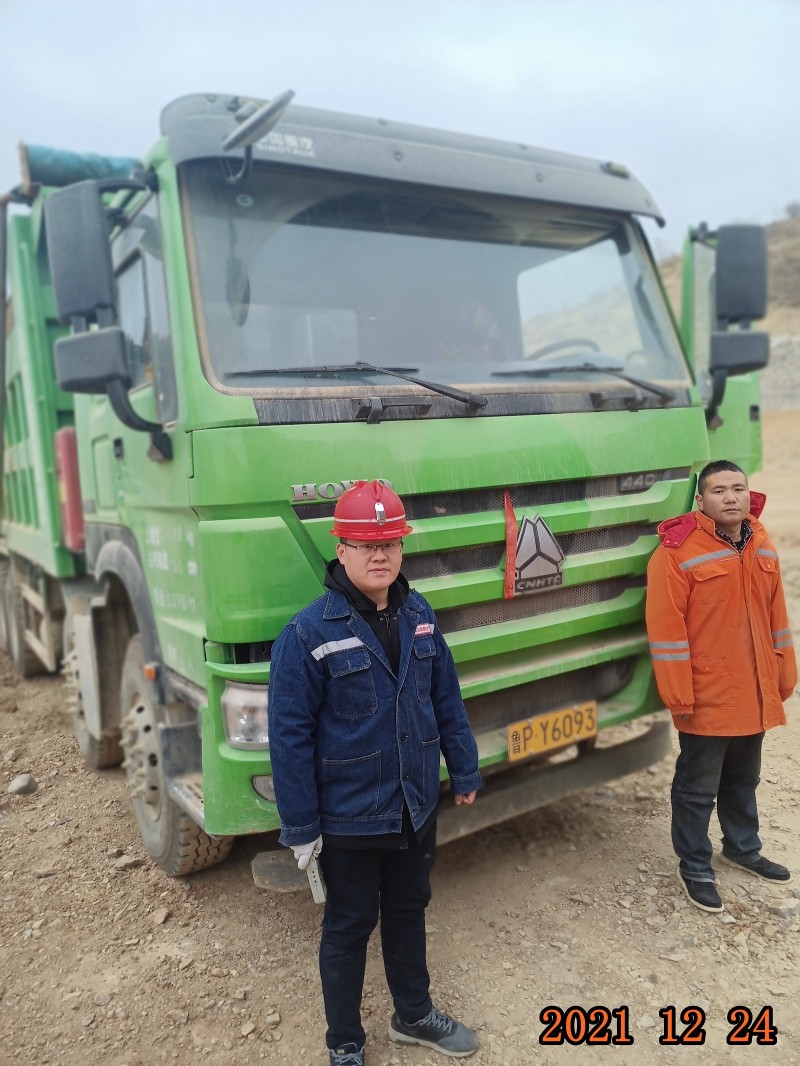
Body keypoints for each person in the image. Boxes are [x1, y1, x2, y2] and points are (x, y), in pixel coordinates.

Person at [269, 480, 483, 1065]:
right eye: (366, 545)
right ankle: (344, 1042)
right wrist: (301, 827)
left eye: (390, 543)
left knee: (409, 909)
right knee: (349, 925)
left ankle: (413, 1015)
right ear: (341, 549)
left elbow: (446, 698)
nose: (380, 555)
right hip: (350, 817)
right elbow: (289, 739)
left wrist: (464, 770)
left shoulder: (419, 615)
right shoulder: (307, 635)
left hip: (415, 804)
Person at [645, 459, 797, 914]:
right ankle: (695, 866)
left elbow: (778, 618)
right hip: (707, 693)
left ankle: (742, 848)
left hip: (755, 689)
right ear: (700, 500)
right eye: (718, 490)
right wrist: (679, 696)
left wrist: (784, 675)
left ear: (749, 494)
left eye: (738, 488)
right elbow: (666, 630)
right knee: (697, 787)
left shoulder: (762, 543)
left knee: (743, 778)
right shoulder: (675, 552)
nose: (730, 497)